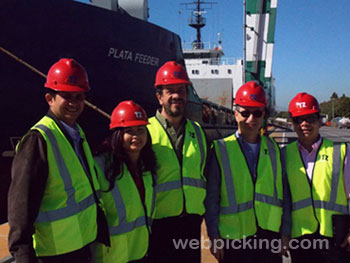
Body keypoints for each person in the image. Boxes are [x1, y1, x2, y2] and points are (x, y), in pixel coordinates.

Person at [8, 58, 109, 263]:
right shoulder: (38, 140)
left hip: (81, 246)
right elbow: (20, 207)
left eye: (79, 97)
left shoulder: (75, 132)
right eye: (66, 96)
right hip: (55, 254)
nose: (74, 103)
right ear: (49, 98)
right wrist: (23, 256)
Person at [205, 81, 289, 263]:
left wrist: (285, 233)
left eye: (257, 113)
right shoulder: (220, 149)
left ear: (264, 115)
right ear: (235, 113)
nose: (251, 119)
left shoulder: (274, 149)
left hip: (269, 234)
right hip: (234, 237)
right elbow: (212, 199)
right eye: (245, 113)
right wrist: (214, 236)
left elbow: (285, 194)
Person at [147, 61, 207, 262]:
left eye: (181, 90)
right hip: (158, 225)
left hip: (191, 224)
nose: (176, 95)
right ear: (159, 97)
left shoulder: (197, 132)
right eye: (170, 90)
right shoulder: (146, 131)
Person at [284, 92, 350, 262]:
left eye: (310, 118)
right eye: (298, 119)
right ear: (292, 123)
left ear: (319, 120)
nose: (304, 124)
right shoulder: (284, 155)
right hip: (300, 238)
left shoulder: (340, 152)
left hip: (336, 237)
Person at [92, 100, 156, 263]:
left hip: (139, 251)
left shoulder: (146, 168)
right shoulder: (101, 166)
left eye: (141, 130)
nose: (136, 136)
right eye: (129, 131)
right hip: (111, 256)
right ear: (118, 134)